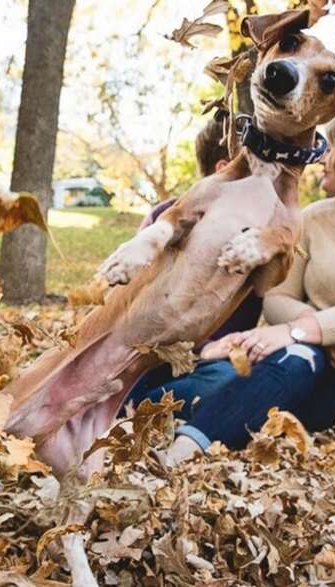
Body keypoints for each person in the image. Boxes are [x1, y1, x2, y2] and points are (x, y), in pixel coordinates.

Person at [159, 103, 335, 464]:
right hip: (307, 357)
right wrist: (319, 337)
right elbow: (278, 296)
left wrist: (309, 329)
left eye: (332, 144)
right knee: (295, 361)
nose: (320, 155)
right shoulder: (312, 219)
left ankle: (245, 405)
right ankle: (190, 444)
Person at [124, 118, 264, 419]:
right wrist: (200, 350)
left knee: (232, 381)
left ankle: (144, 409)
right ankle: (138, 409)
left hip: (216, 365)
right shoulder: (166, 218)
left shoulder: (261, 233)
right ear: (225, 169)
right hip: (154, 357)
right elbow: (136, 305)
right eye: (260, 171)